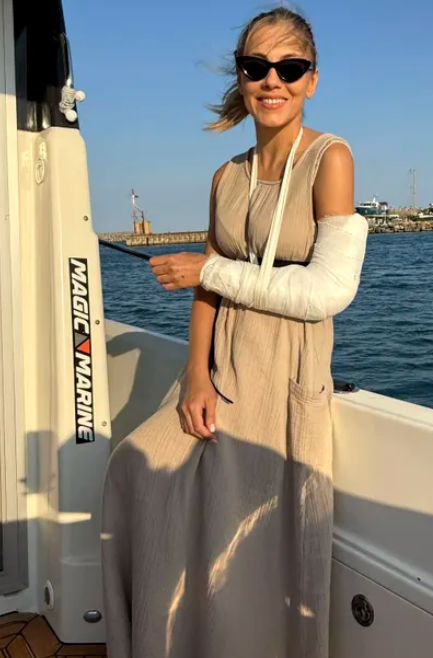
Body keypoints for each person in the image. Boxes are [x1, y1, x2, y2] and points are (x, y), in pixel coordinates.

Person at [101, 7, 368, 658]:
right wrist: (196, 376)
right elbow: (208, 290)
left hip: (286, 372)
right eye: (256, 66)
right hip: (220, 367)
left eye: (290, 67)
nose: (273, 80)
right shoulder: (227, 176)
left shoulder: (330, 158)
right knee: (135, 472)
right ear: (241, 77)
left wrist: (210, 269)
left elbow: (329, 291)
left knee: (254, 549)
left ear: (311, 80)